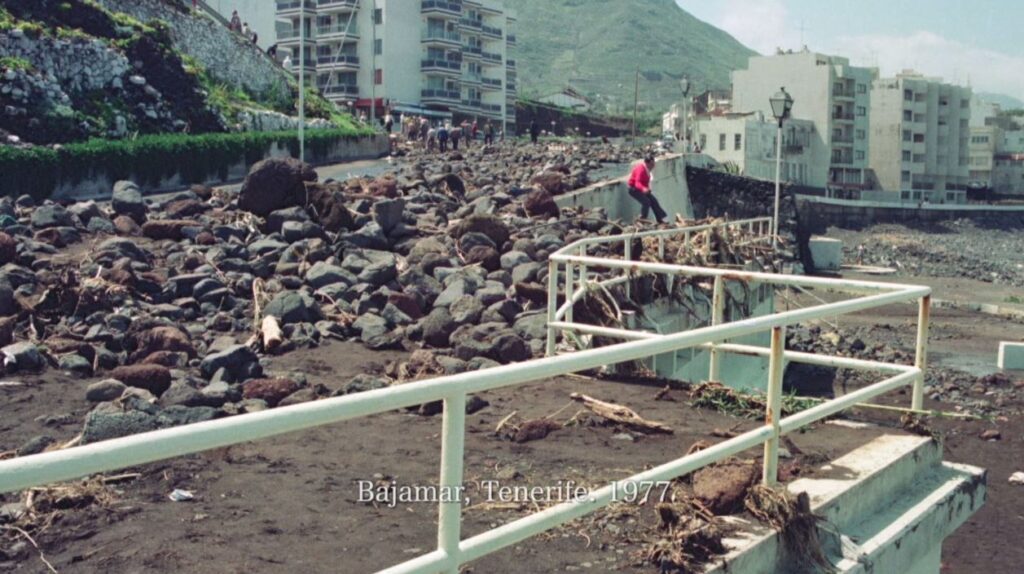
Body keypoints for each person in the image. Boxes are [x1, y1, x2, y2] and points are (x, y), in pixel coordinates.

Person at [627, 155, 667, 224]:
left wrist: (647, 189)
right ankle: (642, 218)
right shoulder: (641, 169)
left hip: (640, 189)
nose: (653, 166)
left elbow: (644, 182)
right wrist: (643, 189)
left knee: (654, 201)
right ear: (647, 163)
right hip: (633, 189)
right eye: (651, 164)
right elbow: (637, 183)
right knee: (646, 202)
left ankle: (659, 219)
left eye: (653, 164)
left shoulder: (647, 170)